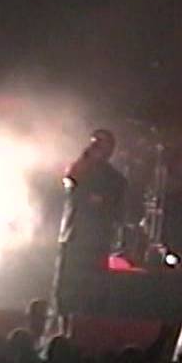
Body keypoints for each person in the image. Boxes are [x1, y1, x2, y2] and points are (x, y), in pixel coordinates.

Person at [51, 129, 127, 334]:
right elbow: (70, 186)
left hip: (95, 241)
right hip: (72, 236)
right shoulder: (79, 169)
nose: (93, 147)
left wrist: (98, 202)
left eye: (99, 144)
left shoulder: (115, 180)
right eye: (93, 143)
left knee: (89, 290)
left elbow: (116, 211)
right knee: (64, 287)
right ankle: (61, 329)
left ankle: (82, 332)